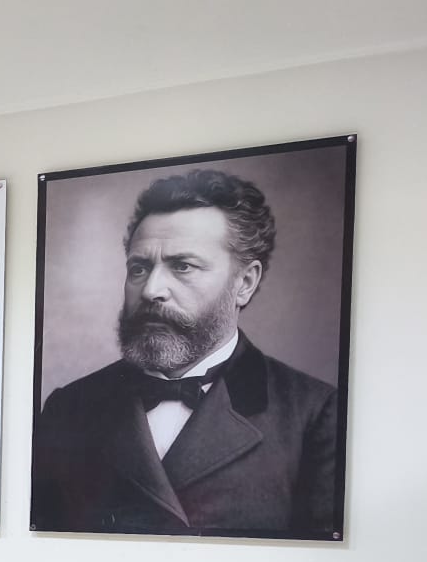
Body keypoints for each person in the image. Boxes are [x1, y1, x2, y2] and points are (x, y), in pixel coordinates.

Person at [32, 168, 339, 537]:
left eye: (182, 266)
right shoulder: (69, 408)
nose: (151, 290)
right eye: (139, 268)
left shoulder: (314, 415)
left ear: (244, 283)